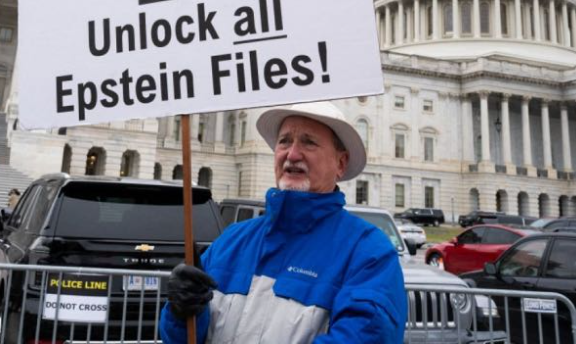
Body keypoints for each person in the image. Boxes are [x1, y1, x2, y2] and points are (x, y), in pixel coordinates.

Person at [160, 101, 406, 343]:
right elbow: (182, 339)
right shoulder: (232, 240)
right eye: (285, 141)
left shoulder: (368, 252)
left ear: (340, 163)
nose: (292, 154)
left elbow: (366, 336)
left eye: (309, 142)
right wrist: (180, 313)